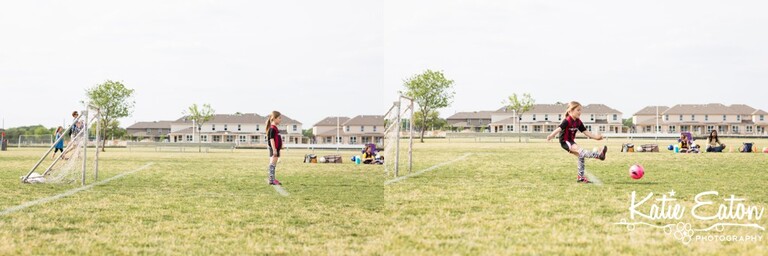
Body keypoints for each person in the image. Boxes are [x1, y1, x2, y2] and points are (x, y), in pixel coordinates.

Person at [546, 101, 607, 183]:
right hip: (565, 142)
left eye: (580, 110)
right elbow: (559, 129)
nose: (580, 112)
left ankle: (580, 178)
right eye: (578, 110)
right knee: (580, 151)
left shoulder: (578, 122)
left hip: (571, 141)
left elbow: (586, 132)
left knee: (581, 156)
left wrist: (596, 137)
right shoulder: (567, 120)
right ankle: (599, 155)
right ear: (571, 111)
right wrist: (551, 136)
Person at [266, 111, 283, 185]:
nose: (280, 120)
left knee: (273, 164)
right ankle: (271, 180)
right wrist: (274, 150)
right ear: (274, 118)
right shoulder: (272, 128)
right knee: (272, 164)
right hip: (274, 149)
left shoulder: (275, 128)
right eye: (279, 118)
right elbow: (271, 139)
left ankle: (272, 179)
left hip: (276, 149)